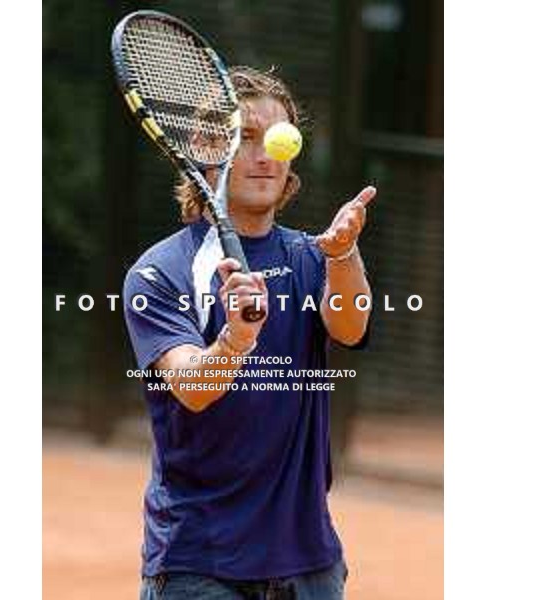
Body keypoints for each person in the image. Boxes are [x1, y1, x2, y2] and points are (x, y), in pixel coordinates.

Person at [123, 66, 376, 600]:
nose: (265, 156)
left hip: (309, 563)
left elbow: (351, 326)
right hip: (200, 565)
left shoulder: (311, 257)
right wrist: (235, 340)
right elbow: (192, 387)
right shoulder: (161, 271)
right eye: (246, 138)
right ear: (204, 146)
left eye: (277, 140)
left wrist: (344, 254)